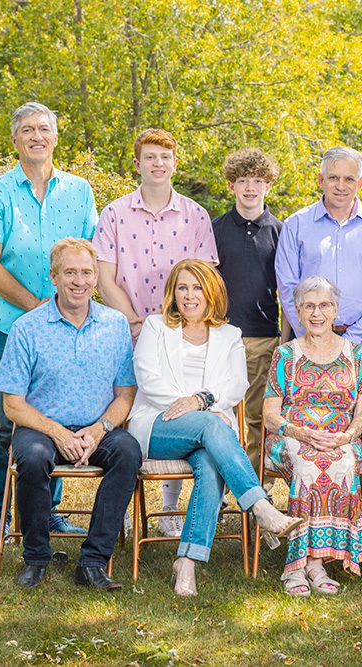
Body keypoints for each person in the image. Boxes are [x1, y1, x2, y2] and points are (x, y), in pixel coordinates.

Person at [128, 260, 301, 596]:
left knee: (210, 462)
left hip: (208, 430)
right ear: (173, 293)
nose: (189, 295)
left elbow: (238, 384)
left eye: (197, 288)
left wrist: (201, 402)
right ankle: (260, 506)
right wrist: (200, 404)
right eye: (182, 287)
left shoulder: (229, 335)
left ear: (211, 294)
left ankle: (187, 563)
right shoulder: (155, 326)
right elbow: (148, 380)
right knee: (212, 426)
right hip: (157, 426)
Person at [0, 102, 97, 547]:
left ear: (55, 138)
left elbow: (88, 256)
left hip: (64, 332)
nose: (36, 136)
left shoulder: (80, 191)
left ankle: (47, 514)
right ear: (15, 140)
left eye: (44, 129)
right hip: (9, 328)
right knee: (1, 424)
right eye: (27, 130)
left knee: (55, 416)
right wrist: (39, 308)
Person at [93, 128, 219, 538]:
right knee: (127, 412)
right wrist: (133, 319)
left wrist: (174, 323)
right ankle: (127, 505)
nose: (158, 164)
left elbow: (204, 278)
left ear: (175, 164)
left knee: (175, 407)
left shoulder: (195, 216)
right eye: (149, 157)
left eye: (165, 158)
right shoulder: (114, 213)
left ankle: (167, 507)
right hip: (124, 327)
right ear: (137, 163)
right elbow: (104, 275)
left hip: (179, 332)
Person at [0, 239, 140, 590]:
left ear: (96, 277)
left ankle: (93, 561)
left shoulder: (114, 325)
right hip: (42, 427)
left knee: (129, 452)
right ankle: (36, 557)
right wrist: (58, 432)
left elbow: (126, 395)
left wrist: (99, 429)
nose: (79, 281)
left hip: (97, 428)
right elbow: (12, 403)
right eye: (70, 272)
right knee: (31, 456)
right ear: (54, 277)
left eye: (87, 272)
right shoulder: (28, 328)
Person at [275, 146, 362, 539]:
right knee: (308, 416)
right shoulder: (297, 225)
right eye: (334, 177)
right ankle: (309, 506)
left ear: (360, 182)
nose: (341, 185)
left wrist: (355, 339)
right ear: (320, 180)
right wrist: (313, 333)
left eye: (350, 178)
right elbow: (287, 285)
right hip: (308, 340)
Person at [262, 276, 362, 596]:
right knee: (308, 465)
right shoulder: (285, 355)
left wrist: (346, 436)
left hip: (339, 437)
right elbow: (269, 416)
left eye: (324, 305)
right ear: (297, 311)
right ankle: (298, 567)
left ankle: (316, 561)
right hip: (291, 436)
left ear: (336, 310)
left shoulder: (358, 355)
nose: (316, 313)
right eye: (308, 306)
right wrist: (301, 433)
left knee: (341, 463)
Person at [211, 148, 283, 466]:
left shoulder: (280, 231)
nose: (250, 187)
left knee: (256, 417)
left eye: (257, 181)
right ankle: (222, 485)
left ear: (268, 186)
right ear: (231, 186)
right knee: (220, 414)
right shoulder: (215, 229)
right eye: (242, 181)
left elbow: (288, 288)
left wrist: (286, 338)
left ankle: (252, 488)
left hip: (263, 336)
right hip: (220, 335)